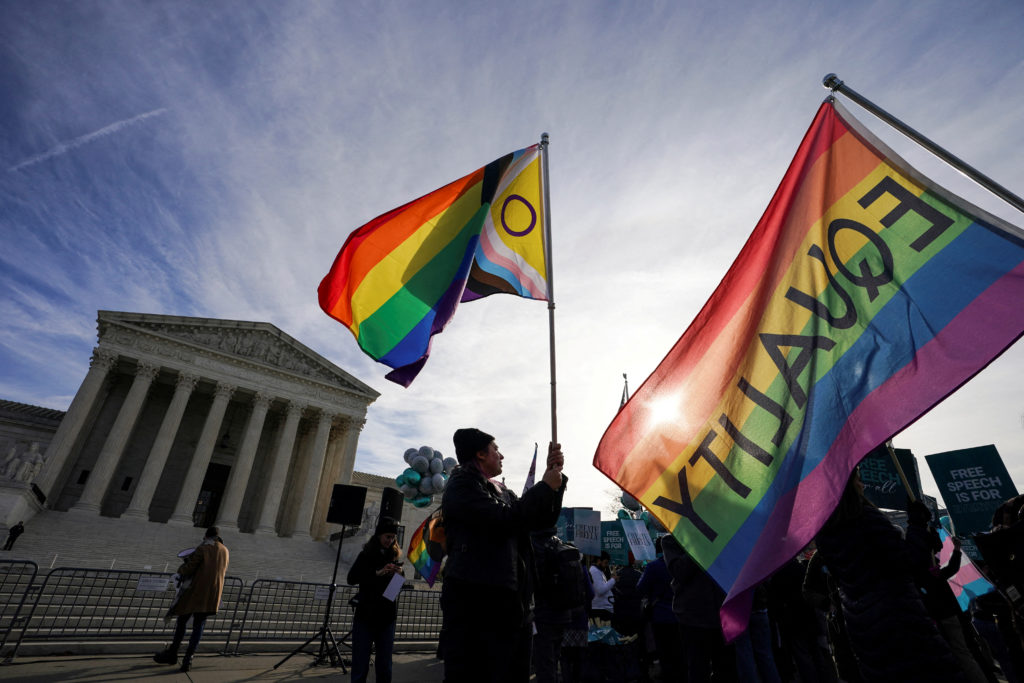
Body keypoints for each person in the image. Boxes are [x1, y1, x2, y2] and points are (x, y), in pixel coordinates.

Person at [439, 428, 566, 683]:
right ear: (480, 454)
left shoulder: (502, 490)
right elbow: (504, 519)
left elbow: (538, 519)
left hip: (510, 602)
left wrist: (554, 482)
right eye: (496, 449)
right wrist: (543, 487)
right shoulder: (463, 484)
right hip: (478, 602)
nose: (502, 455)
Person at [814, 471, 967, 682]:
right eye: (858, 479)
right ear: (848, 486)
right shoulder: (865, 517)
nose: (863, 485)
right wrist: (916, 525)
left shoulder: (824, 532)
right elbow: (907, 562)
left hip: (862, 624)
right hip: (899, 616)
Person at [662, 533, 737, 683]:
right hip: (693, 618)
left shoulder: (721, 533)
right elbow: (679, 571)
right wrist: (702, 542)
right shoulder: (672, 540)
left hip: (723, 616)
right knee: (698, 669)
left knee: (727, 670)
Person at [153, 526, 230, 672]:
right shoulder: (225, 551)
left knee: (182, 621)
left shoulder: (203, 549)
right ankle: (188, 659)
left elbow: (189, 569)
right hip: (212, 594)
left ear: (206, 536)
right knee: (199, 626)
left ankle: (173, 653)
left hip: (195, 591)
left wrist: (182, 568)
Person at [346, 516, 405, 683]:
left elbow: (396, 588)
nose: (390, 540)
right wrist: (376, 573)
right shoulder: (365, 555)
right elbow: (352, 578)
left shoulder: (394, 556)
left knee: (384, 664)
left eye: (393, 537)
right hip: (366, 615)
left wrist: (400, 574)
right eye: (388, 536)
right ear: (379, 535)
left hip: (387, 617)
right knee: (360, 663)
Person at [530, 528, 584, 683]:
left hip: (543, 614)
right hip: (563, 613)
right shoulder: (558, 544)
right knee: (554, 659)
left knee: (545, 664)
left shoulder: (536, 546)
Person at [637, 535, 684, 683]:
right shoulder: (683, 564)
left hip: (660, 617)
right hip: (682, 616)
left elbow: (640, 588)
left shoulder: (653, 567)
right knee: (680, 652)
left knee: (664, 652)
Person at [589, 551, 617, 623]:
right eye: (605, 562)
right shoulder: (594, 571)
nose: (606, 565)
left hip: (603, 609)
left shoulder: (598, 571)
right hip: (600, 610)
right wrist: (613, 580)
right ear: (599, 561)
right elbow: (600, 590)